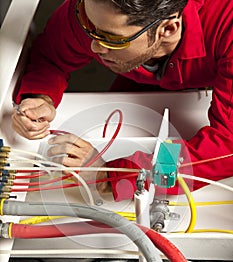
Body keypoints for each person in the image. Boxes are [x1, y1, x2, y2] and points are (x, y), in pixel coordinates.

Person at [12, 0, 233, 201]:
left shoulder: (227, 25)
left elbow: (227, 146)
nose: (94, 47)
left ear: (167, 29)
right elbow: (52, 53)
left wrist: (114, 176)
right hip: (144, 74)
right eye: (90, 26)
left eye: (111, 39)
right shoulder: (94, 11)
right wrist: (41, 97)